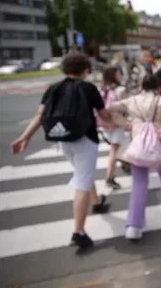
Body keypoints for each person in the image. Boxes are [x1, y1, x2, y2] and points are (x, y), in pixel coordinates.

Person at [10, 52, 112, 249]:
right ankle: (78, 232)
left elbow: (40, 116)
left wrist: (24, 137)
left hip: (63, 140)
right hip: (85, 139)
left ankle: (97, 202)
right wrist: (117, 118)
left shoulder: (53, 88)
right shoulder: (88, 88)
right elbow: (104, 114)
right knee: (82, 180)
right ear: (85, 70)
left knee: (83, 173)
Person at [107, 74, 161, 240]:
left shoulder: (132, 101)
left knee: (139, 182)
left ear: (141, 86)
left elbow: (111, 107)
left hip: (137, 142)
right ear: (157, 86)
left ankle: (134, 225)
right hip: (157, 140)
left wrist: (124, 123)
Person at [98, 66, 127, 189]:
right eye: (119, 73)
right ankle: (110, 177)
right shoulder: (121, 90)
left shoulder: (101, 89)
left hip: (105, 122)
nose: (120, 75)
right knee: (114, 150)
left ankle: (126, 164)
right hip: (118, 123)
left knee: (118, 146)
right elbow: (126, 107)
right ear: (114, 75)